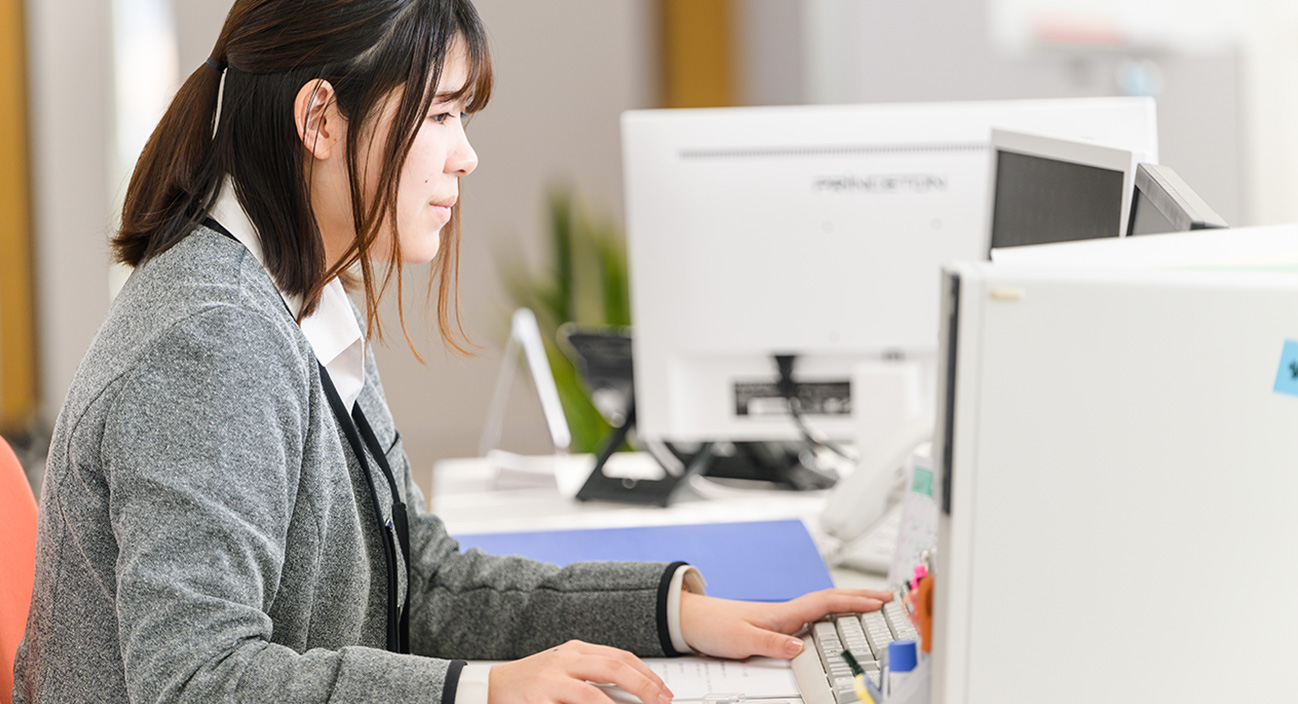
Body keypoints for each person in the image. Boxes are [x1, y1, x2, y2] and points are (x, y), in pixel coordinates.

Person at [13, 1, 893, 702]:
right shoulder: (212, 339)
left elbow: (424, 584)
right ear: (319, 118)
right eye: (439, 115)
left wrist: (674, 615)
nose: (464, 156)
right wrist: (483, 690)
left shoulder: (299, 295)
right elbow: (197, 681)